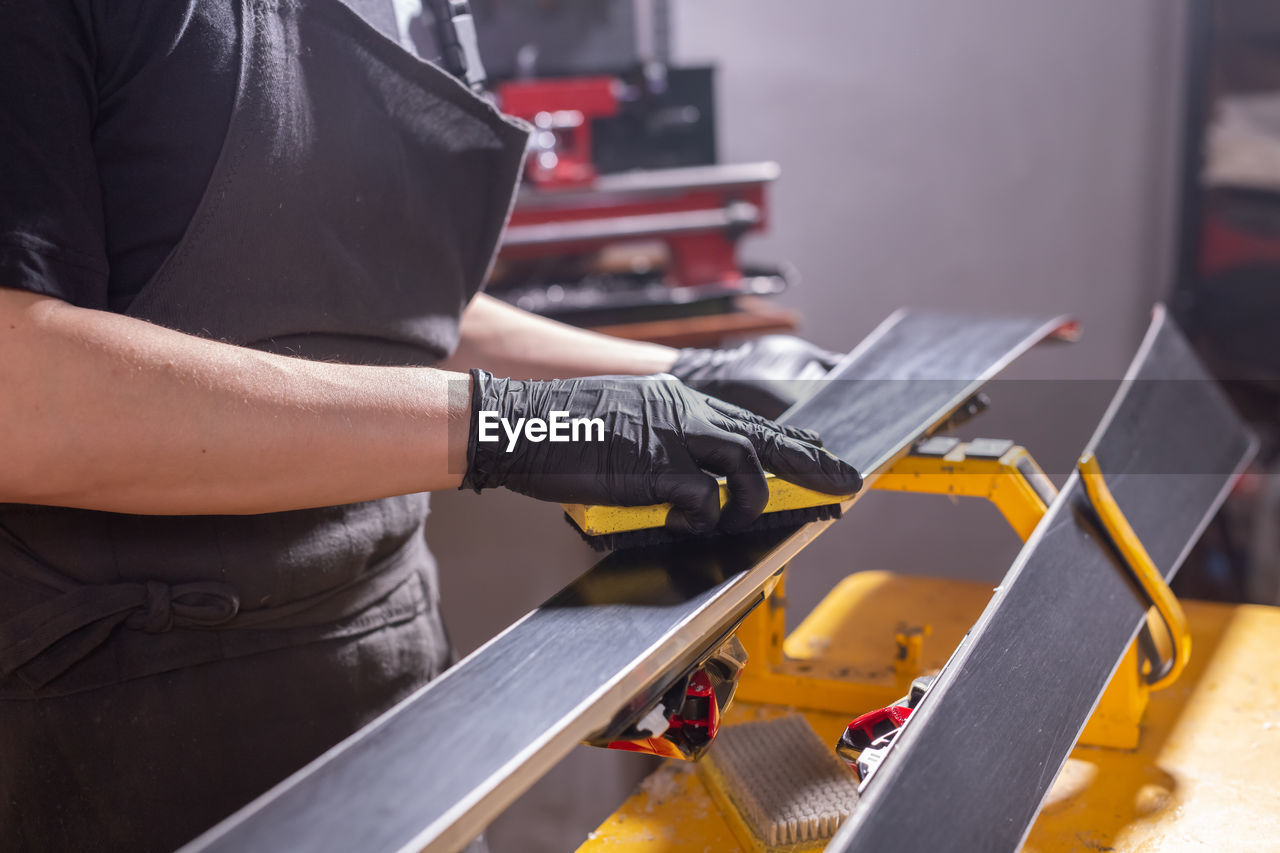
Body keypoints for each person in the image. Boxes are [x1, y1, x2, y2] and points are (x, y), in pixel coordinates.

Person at [0, 1, 861, 850]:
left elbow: (387, 310)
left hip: (389, 659)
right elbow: (21, 395)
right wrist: (519, 426)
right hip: (119, 714)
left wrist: (674, 379)